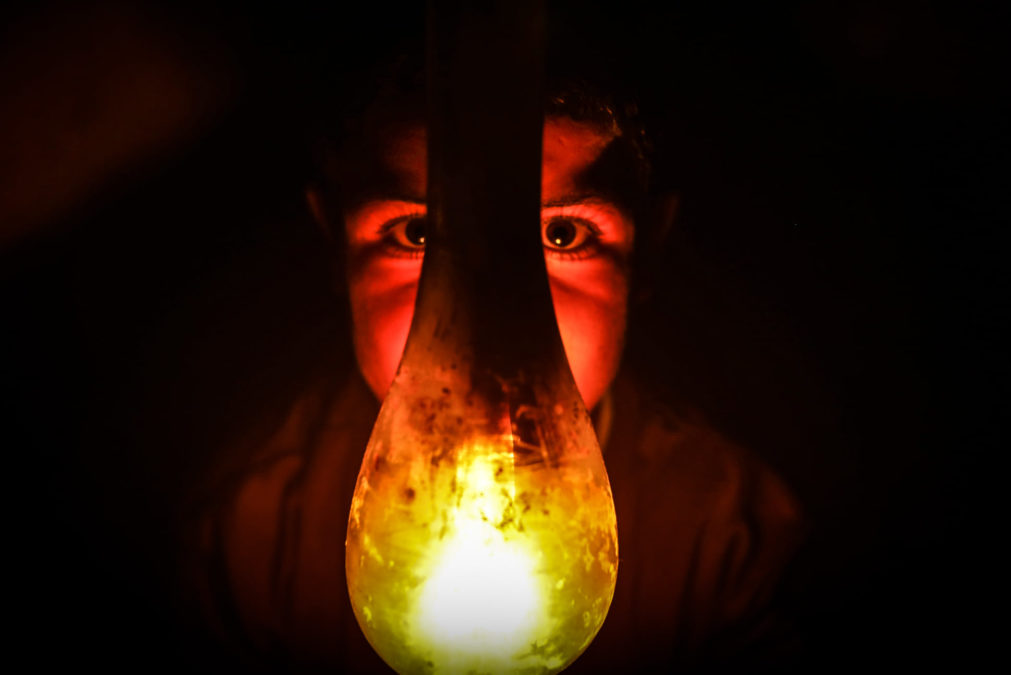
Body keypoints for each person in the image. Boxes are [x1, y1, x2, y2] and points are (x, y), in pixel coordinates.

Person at [182, 78, 805, 673]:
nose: (488, 332)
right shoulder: (251, 541)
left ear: (648, 256)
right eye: (417, 233)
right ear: (333, 248)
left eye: (564, 235)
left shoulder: (730, 539)